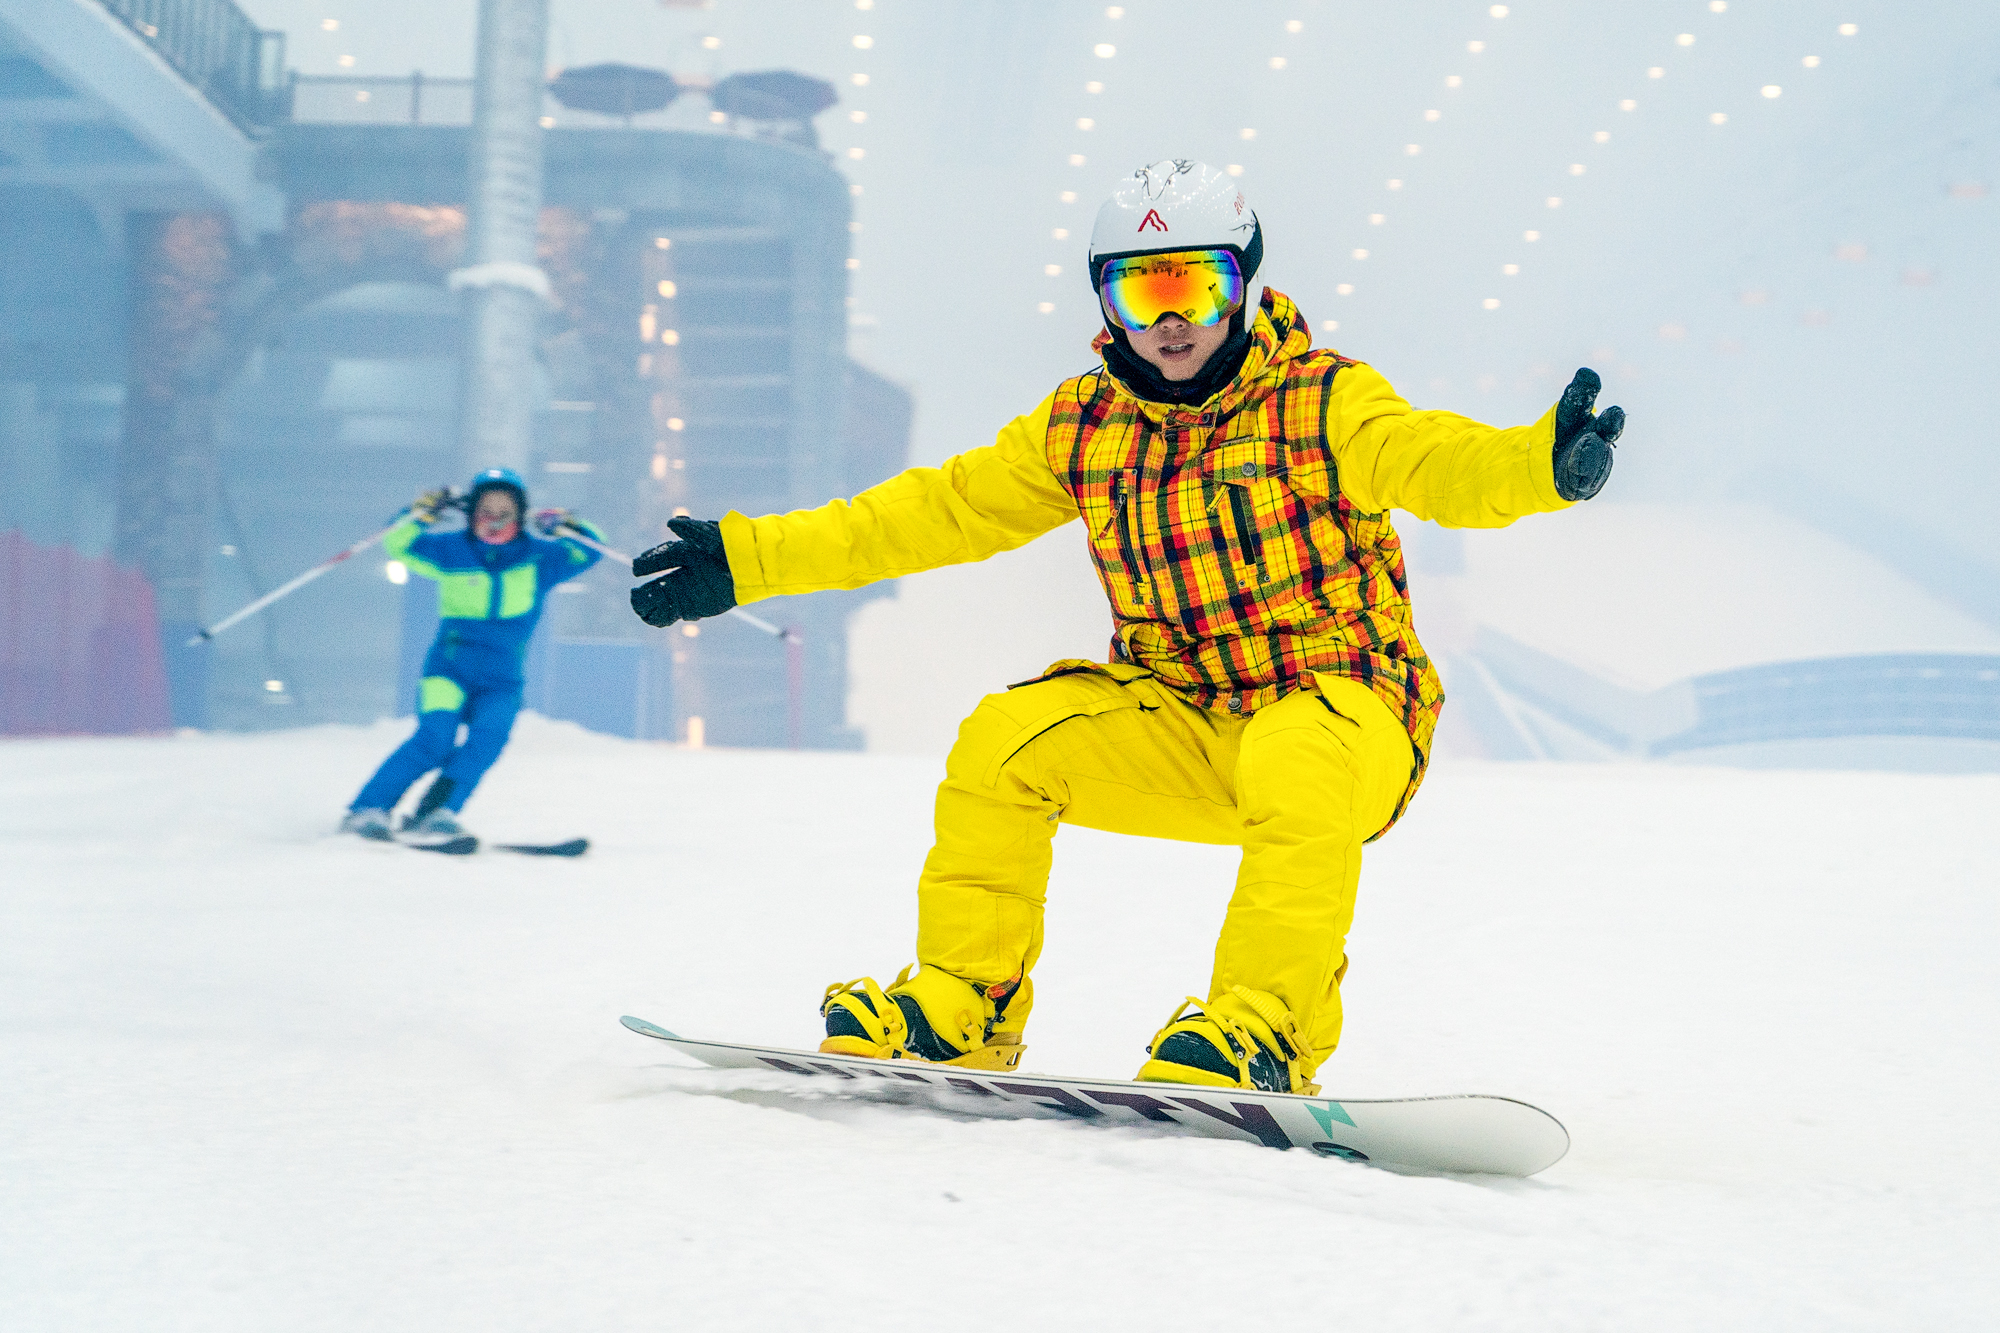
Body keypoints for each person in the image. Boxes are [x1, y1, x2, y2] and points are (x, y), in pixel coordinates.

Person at [625, 159, 1626, 1093]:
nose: (1173, 320)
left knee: (1295, 754)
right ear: (1106, 302)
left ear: (1239, 285)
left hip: (1345, 711)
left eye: (1194, 287)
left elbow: (1434, 461)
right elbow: (934, 510)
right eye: (1143, 294)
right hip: (1181, 717)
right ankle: (963, 1005)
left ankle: (1259, 1027)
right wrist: (749, 561)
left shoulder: (1321, 402)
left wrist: (1539, 465)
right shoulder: (1082, 425)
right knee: (1001, 744)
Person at [341, 467, 604, 843]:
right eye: (485, 511)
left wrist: (569, 525)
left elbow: (592, 550)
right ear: (471, 514)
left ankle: (436, 813)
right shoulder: (451, 550)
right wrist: (421, 513)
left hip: (501, 680)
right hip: (448, 671)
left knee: (488, 740)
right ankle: (368, 809)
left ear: (520, 515)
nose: (494, 521)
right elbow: (397, 544)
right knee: (435, 738)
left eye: (505, 512)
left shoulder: (539, 559)